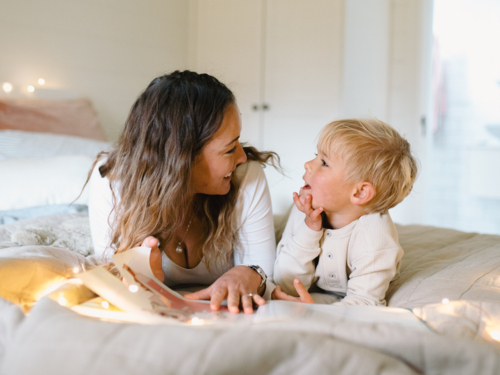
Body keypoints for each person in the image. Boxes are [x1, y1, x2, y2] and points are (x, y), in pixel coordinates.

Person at [87, 71, 279, 314]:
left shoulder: (246, 176)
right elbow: (110, 280)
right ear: (182, 159)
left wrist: (252, 275)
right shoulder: (112, 180)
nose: (242, 157)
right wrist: (146, 282)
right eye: (230, 149)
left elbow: (264, 274)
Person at [272, 118, 418, 306]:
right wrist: (309, 230)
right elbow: (285, 284)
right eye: (315, 155)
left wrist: (315, 311)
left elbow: (364, 301)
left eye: (324, 162)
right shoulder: (306, 208)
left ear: (359, 192)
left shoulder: (376, 238)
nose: (308, 164)